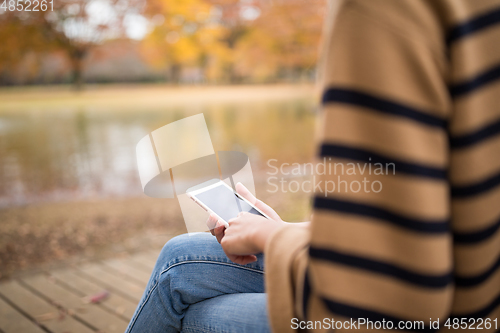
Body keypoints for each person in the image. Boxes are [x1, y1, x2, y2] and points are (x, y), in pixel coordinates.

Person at [127, 0, 500, 331]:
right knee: (180, 257)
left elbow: (390, 304)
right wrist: (289, 229)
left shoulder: (379, 11)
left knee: (194, 316)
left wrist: (267, 237)